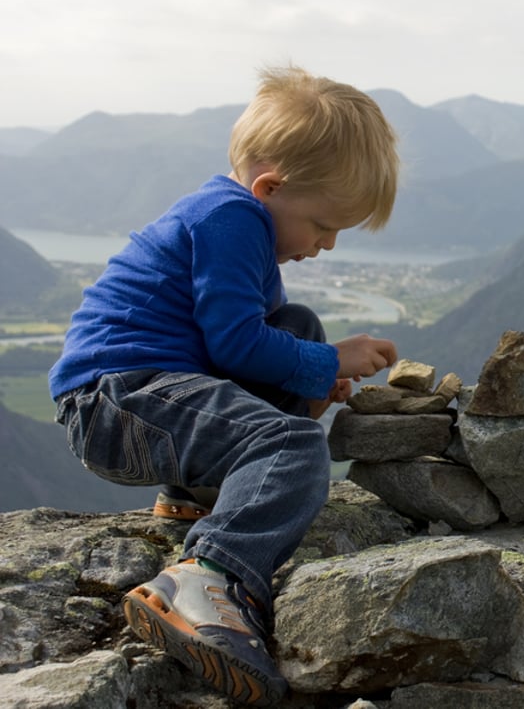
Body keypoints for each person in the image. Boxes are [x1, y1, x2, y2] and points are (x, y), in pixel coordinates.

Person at [48, 65, 401, 706]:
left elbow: (256, 338)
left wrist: (312, 361)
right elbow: (235, 346)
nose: (325, 246)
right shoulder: (231, 221)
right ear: (270, 187)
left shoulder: (244, 220)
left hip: (145, 394)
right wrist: (326, 363)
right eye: (323, 226)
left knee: (295, 323)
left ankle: (200, 493)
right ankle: (208, 578)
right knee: (293, 446)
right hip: (117, 400)